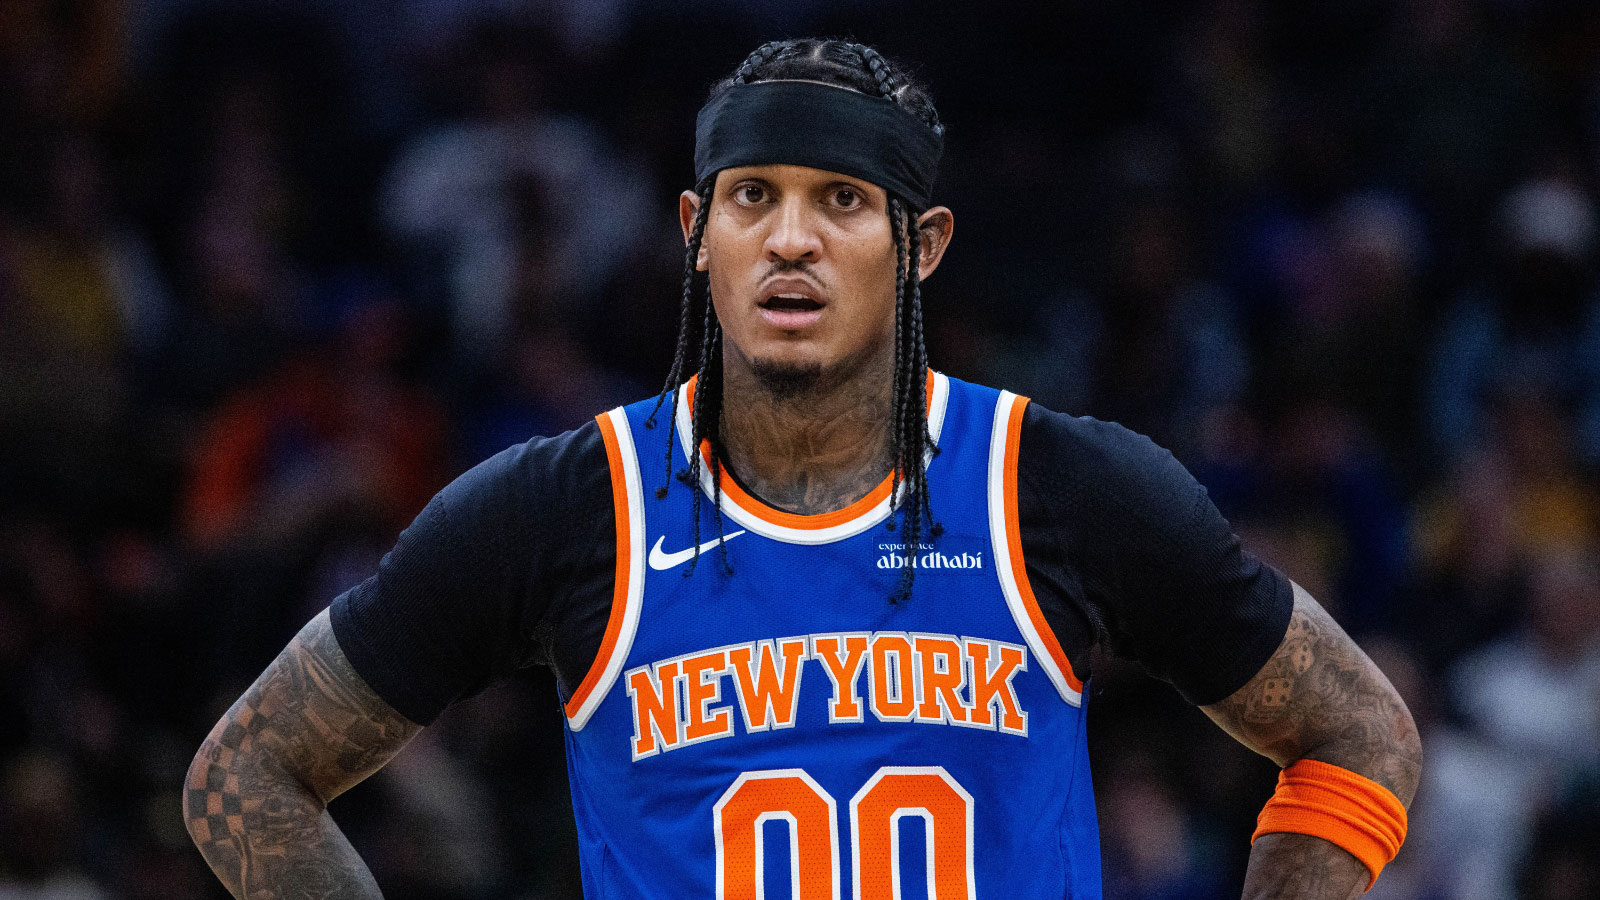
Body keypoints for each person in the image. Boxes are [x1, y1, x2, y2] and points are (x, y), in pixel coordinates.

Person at [183, 39, 1422, 899]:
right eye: (752, 198)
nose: (790, 238)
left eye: (841, 199)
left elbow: (1358, 732)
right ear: (695, 235)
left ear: (920, 244)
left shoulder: (1063, 487)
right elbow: (245, 773)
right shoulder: (568, 507)